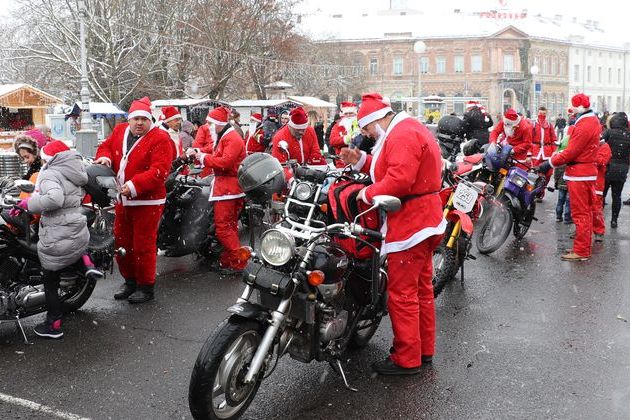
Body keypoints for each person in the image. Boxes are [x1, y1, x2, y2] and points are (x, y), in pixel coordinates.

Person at [339, 93, 445, 375]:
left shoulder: (402, 134)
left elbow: (399, 179)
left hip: (412, 223)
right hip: (425, 220)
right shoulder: (404, 129)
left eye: (367, 129)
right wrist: (360, 159)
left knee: (402, 294)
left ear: (378, 120)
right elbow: (390, 164)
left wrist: (364, 194)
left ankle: (406, 358)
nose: (367, 135)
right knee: (421, 291)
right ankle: (423, 350)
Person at [94, 97, 173, 303]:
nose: (139, 123)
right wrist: (105, 157)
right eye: (135, 119)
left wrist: (134, 185)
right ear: (129, 120)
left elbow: (159, 171)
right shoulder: (120, 131)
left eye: (143, 119)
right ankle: (130, 281)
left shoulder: (161, 138)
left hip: (148, 202)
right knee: (122, 243)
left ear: (150, 120)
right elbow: (106, 146)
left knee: (143, 246)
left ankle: (145, 286)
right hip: (122, 200)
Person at [14, 141, 90, 338]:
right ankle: (87, 263)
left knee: (50, 279)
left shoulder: (49, 172)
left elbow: (54, 199)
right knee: (69, 255)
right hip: (74, 224)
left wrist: (27, 204)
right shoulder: (74, 171)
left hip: (56, 229)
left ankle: (53, 325)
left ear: (48, 157)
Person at [537, 93, 601, 261]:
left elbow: (571, 152)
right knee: (585, 212)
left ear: (578, 108)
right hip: (586, 172)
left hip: (579, 174)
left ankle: (581, 251)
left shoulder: (585, 124)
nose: (570, 110)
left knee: (580, 213)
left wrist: (548, 163)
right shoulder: (591, 121)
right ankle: (584, 248)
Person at [187, 107, 248, 274]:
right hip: (228, 188)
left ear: (219, 124)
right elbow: (217, 153)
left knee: (223, 228)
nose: (209, 126)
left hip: (228, 189)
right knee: (229, 226)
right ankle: (230, 260)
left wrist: (203, 158)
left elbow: (225, 162)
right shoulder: (227, 136)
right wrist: (200, 152)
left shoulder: (231, 138)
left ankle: (238, 262)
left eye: (211, 123)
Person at [271, 107, 325, 179]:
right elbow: (280, 165)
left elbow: (315, 153)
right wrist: (291, 180)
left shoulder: (310, 131)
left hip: (308, 171)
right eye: (298, 130)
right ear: (290, 126)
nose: (301, 133)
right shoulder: (280, 137)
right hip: (290, 173)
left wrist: (317, 171)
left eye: (303, 130)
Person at [602, 112, 630, 228]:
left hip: (608, 167)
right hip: (622, 169)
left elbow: (599, 144)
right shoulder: (628, 135)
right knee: (617, 196)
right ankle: (614, 220)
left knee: (602, 194)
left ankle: (599, 218)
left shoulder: (609, 132)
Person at [531, 106, 557, 201]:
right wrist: (529, 153)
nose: (542, 115)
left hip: (547, 152)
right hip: (536, 151)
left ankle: (541, 191)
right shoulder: (534, 124)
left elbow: (554, 139)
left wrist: (554, 151)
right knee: (536, 173)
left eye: (544, 113)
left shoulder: (549, 125)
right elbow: (529, 138)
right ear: (538, 113)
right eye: (541, 113)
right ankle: (536, 192)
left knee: (548, 173)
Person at [329, 102, 360, 167]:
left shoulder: (360, 124)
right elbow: (332, 141)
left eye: (351, 113)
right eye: (346, 113)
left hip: (359, 161)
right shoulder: (337, 126)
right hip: (342, 162)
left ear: (355, 114)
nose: (348, 115)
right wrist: (346, 139)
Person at [592, 140, 611, 242]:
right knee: (581, 209)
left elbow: (601, 162)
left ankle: (599, 231)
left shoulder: (604, 146)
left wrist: (589, 153)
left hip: (596, 183)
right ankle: (580, 230)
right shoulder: (587, 142)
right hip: (584, 179)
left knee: (596, 209)